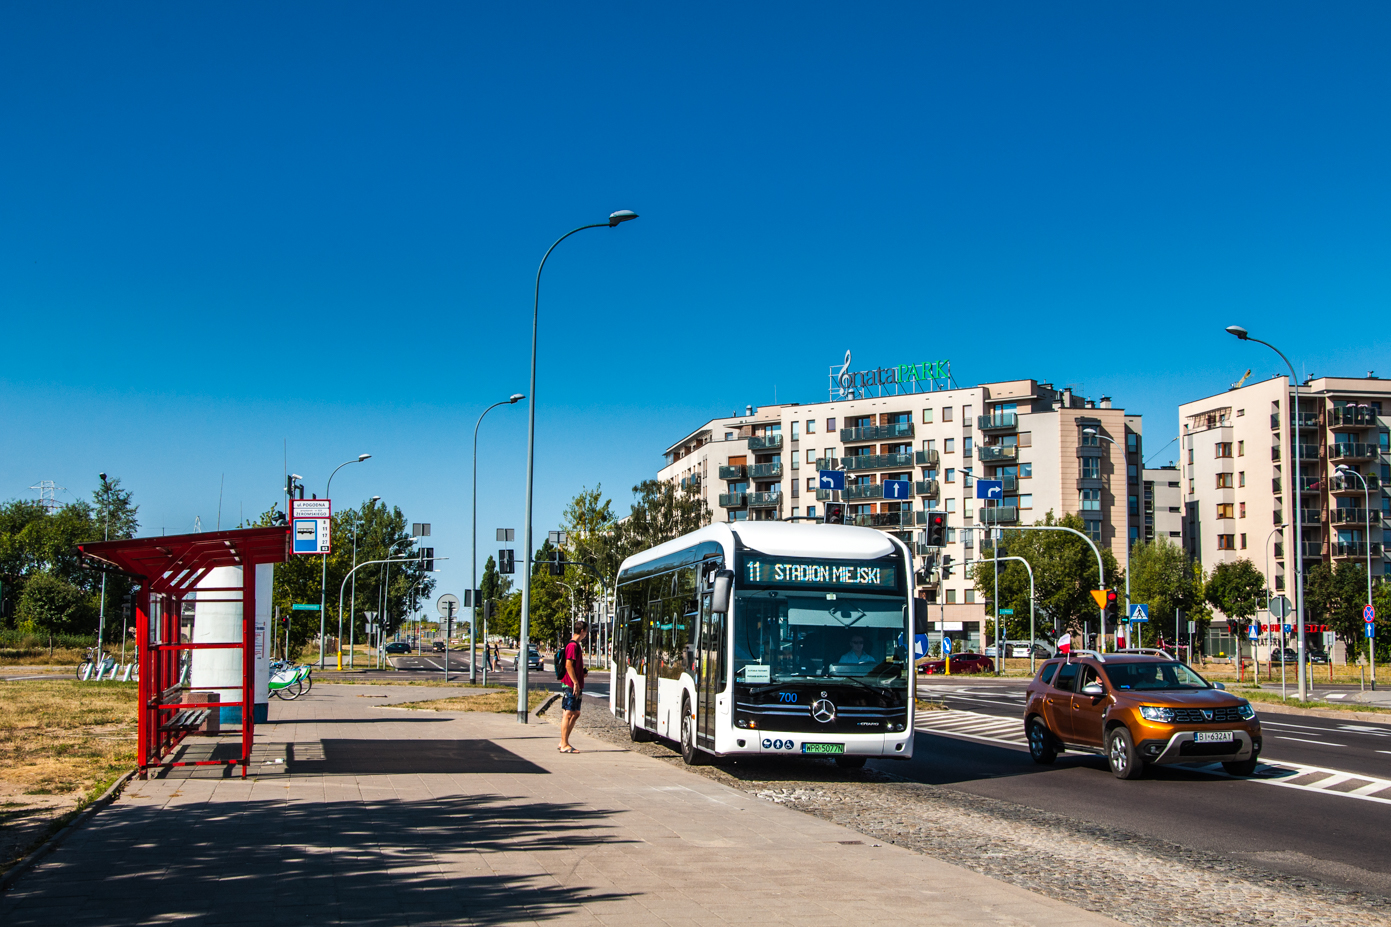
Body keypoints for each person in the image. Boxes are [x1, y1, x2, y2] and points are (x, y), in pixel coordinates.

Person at [558, 621, 589, 754]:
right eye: (586, 631)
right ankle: (564, 744)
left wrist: (582, 673)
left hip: (575, 683)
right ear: (582, 631)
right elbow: (568, 665)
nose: (586, 634)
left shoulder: (575, 645)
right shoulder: (572, 645)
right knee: (568, 713)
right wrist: (575, 682)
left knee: (575, 713)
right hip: (570, 684)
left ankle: (563, 741)